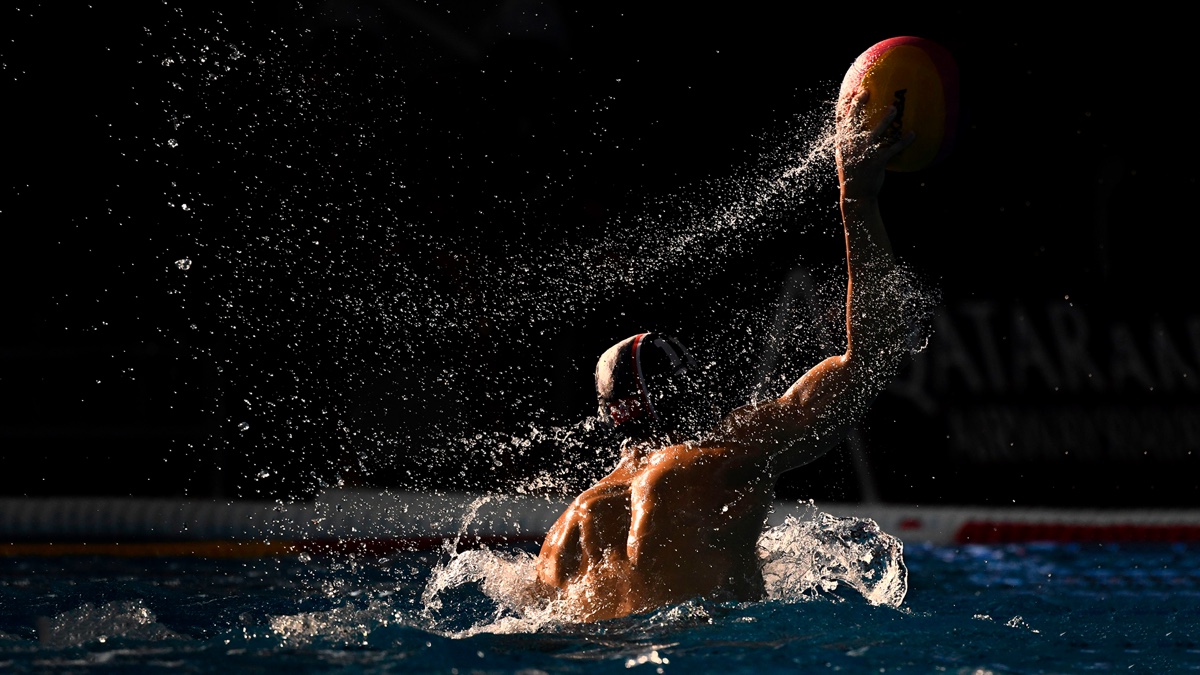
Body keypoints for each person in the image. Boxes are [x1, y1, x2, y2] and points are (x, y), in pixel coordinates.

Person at [534, 88, 918, 622]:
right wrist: (858, 197)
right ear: (694, 392)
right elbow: (870, 355)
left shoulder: (564, 534)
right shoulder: (715, 461)